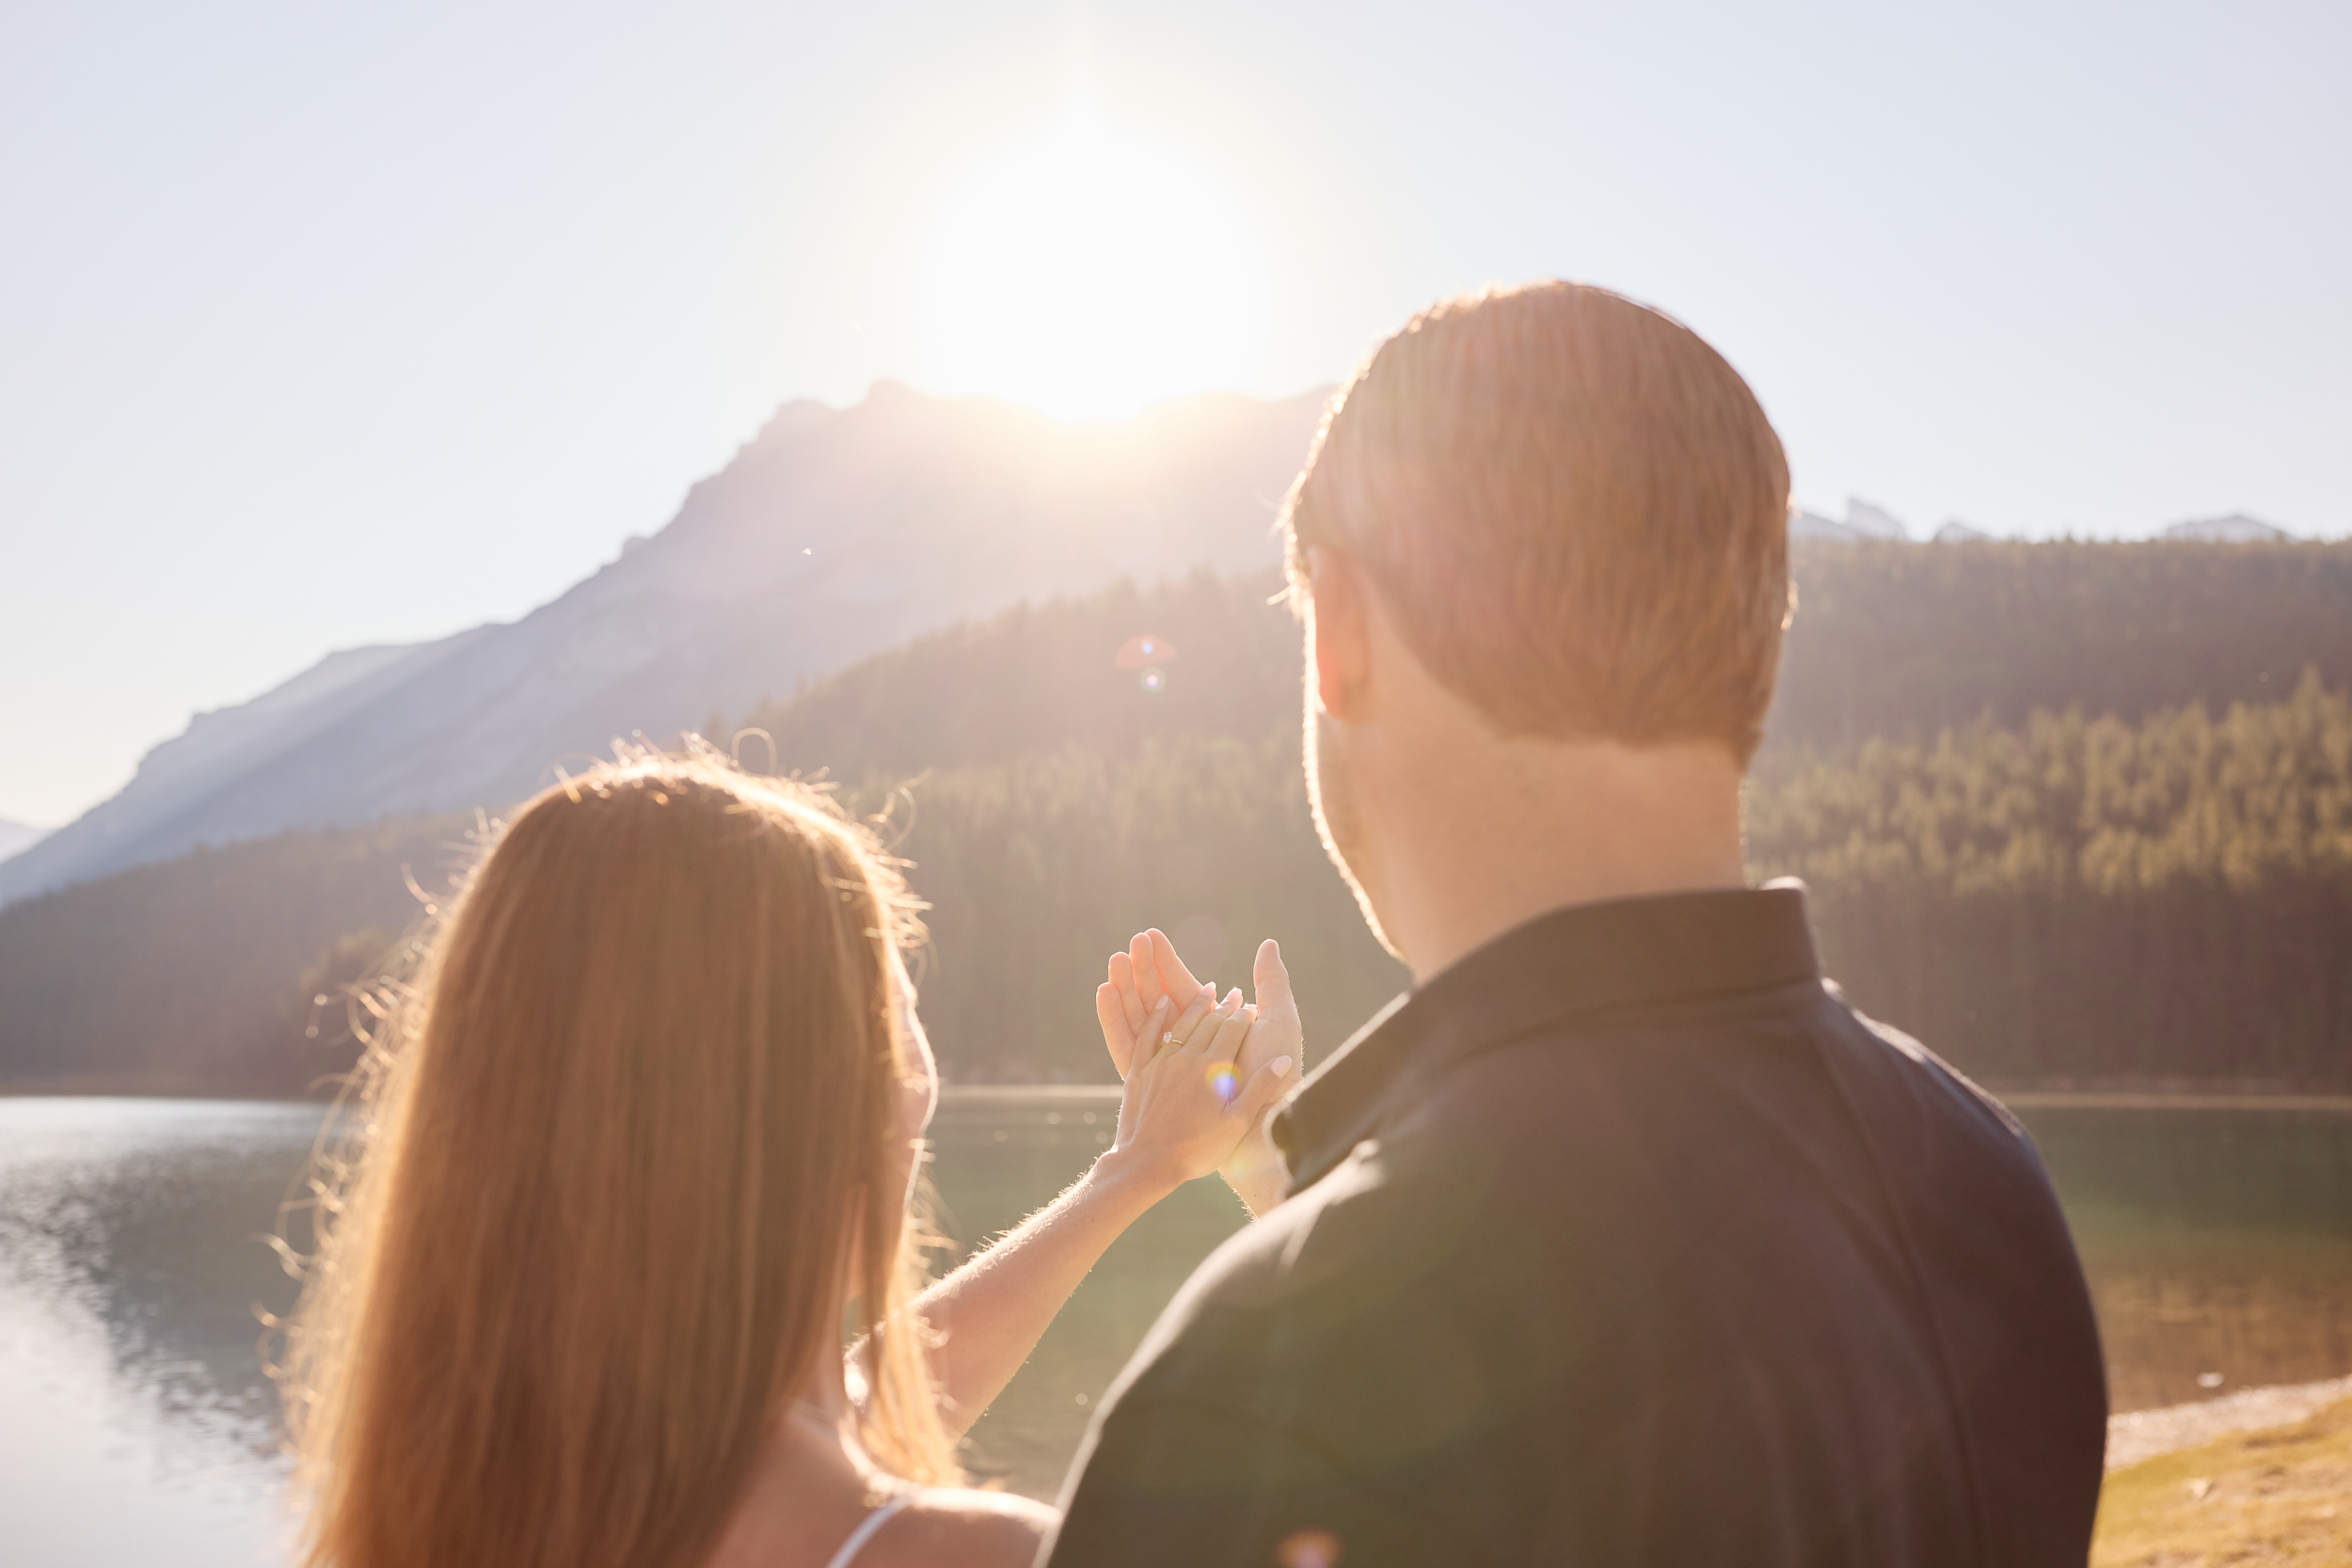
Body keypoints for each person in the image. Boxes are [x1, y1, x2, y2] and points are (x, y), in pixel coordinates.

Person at [1043, 283, 2110, 1566]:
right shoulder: (1987, 1190)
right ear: (1750, 638)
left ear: (1339, 628)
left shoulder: (1259, 1391)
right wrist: (1282, 1171)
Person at [278, 751, 1297, 1568]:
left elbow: (856, 1396)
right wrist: (1275, 1176)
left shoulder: (475, 1503)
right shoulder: (967, 1558)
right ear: (844, 1091)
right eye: (897, 1006)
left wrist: (1135, 1169)